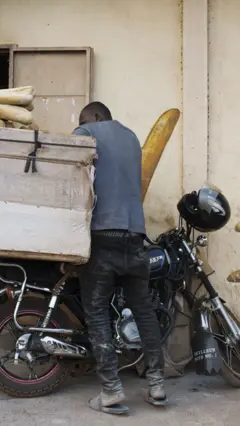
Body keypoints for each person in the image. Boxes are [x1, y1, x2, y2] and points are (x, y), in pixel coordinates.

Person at [73, 102, 166, 415]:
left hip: (102, 236)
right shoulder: (131, 137)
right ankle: (157, 385)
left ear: (97, 116)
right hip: (136, 237)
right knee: (144, 310)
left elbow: (70, 168)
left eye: (83, 118)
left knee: (97, 312)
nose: (80, 123)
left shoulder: (88, 131)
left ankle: (111, 391)